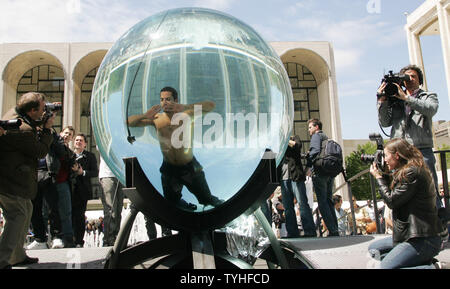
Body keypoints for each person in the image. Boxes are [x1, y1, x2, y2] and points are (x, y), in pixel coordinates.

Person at [127, 87, 222, 210]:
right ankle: (187, 209)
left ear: (175, 100)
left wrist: (184, 106)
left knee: (206, 199)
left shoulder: (187, 115)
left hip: (189, 167)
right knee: (171, 202)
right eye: (161, 100)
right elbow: (129, 122)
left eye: (168, 99)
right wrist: (144, 115)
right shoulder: (157, 119)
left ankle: (223, 210)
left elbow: (211, 106)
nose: (164, 102)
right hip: (169, 168)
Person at [368, 138, 444, 269]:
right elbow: (396, 194)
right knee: (374, 249)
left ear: (397, 155)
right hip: (409, 235)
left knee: (385, 267)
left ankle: (433, 267)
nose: (384, 159)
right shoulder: (407, 170)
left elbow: (392, 200)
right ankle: (420, 262)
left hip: (422, 238)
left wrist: (379, 177)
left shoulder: (412, 172)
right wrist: (384, 173)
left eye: (386, 156)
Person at [0, 92, 55, 269]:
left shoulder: (18, 116)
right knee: (17, 216)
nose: (43, 111)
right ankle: (2, 259)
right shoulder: (20, 129)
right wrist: (47, 129)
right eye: (41, 109)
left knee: (26, 210)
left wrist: (42, 119)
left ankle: (16, 256)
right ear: (31, 110)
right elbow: (39, 151)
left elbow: (31, 124)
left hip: (15, 180)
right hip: (10, 181)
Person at [377, 65, 442, 210]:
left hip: (421, 150)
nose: (410, 79)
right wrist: (382, 101)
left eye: (414, 77)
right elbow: (385, 122)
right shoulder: (395, 99)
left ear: (420, 80)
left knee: (430, 188)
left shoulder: (428, 96)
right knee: (400, 189)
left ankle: (439, 222)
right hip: (399, 152)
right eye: (406, 77)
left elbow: (430, 110)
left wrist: (406, 98)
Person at [28, 126, 76, 250]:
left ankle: (57, 237)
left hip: (49, 173)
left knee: (53, 208)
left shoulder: (51, 134)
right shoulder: (30, 130)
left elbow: (62, 152)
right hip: (34, 173)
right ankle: (40, 238)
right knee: (36, 208)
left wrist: (51, 134)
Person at [305, 118, 339, 237]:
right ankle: (335, 228)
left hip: (320, 173)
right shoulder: (326, 137)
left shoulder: (316, 136)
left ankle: (332, 230)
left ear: (316, 127)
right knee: (329, 201)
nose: (309, 130)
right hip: (330, 173)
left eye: (310, 127)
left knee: (323, 202)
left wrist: (308, 165)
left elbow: (314, 151)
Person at [279, 135, 315, 238]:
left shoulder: (294, 138)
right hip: (284, 179)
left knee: (302, 204)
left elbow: (298, 146)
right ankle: (292, 232)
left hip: (296, 177)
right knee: (288, 207)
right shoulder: (279, 144)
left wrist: (286, 139)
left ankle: (309, 231)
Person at [71, 133, 98, 247]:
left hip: (83, 190)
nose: (78, 142)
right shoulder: (69, 155)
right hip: (70, 189)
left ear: (85, 144)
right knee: (70, 214)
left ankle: (79, 241)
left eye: (81, 140)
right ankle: (70, 239)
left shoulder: (90, 156)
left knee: (80, 215)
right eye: (77, 140)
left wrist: (83, 173)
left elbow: (95, 172)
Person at [99, 155, 124, 247]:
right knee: (110, 209)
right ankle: (108, 238)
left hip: (120, 175)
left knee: (118, 210)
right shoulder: (105, 140)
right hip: (107, 175)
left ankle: (116, 237)